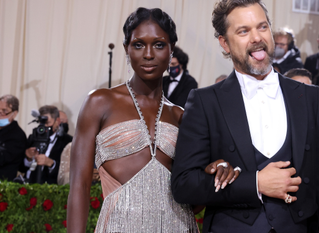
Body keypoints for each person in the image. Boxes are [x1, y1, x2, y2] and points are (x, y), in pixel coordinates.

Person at [171, 0, 319, 232]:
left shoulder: (307, 97)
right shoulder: (205, 102)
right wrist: (255, 183)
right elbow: (184, 185)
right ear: (225, 43)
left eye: (262, 27)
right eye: (243, 31)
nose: (257, 37)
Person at [67, 7, 237, 232]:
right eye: (138, 44)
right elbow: (79, 184)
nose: (148, 54)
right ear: (126, 48)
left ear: (171, 50)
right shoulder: (99, 102)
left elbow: (193, 204)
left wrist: (212, 173)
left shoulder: (180, 116)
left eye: (158, 44)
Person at [22, 105, 72, 184]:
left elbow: (69, 171)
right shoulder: (33, 137)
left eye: (47, 123)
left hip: (51, 187)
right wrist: (28, 159)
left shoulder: (67, 141)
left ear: (57, 121)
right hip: (28, 183)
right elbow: (20, 167)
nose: (44, 126)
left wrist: (51, 163)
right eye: (41, 123)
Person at [0, 95, 26, 181]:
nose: (0, 114)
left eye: (4, 111)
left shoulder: (18, 135)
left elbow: (2, 159)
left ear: (14, 114)